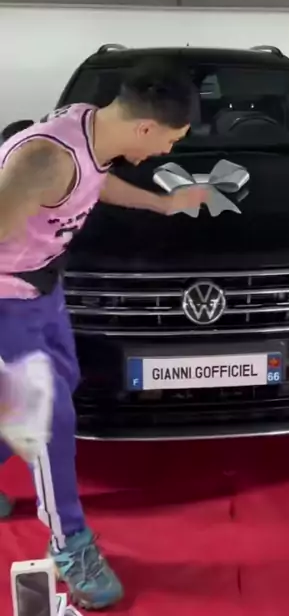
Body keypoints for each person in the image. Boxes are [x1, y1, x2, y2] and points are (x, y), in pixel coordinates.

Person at [0, 61, 209, 610]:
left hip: (43, 287)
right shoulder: (45, 158)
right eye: (170, 140)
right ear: (146, 127)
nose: (166, 152)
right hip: (5, 298)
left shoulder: (90, 127)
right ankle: (70, 544)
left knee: (61, 384)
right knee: (49, 416)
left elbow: (96, 182)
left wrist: (164, 203)